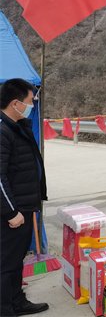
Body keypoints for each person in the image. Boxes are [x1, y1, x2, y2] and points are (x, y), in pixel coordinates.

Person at [0, 78, 49, 316]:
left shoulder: (16, 126)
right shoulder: (2, 131)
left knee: (16, 259)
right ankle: (5, 308)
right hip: (12, 212)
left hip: (24, 205)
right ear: (15, 103)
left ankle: (17, 301)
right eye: (31, 101)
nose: (32, 105)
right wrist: (11, 212)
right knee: (6, 263)